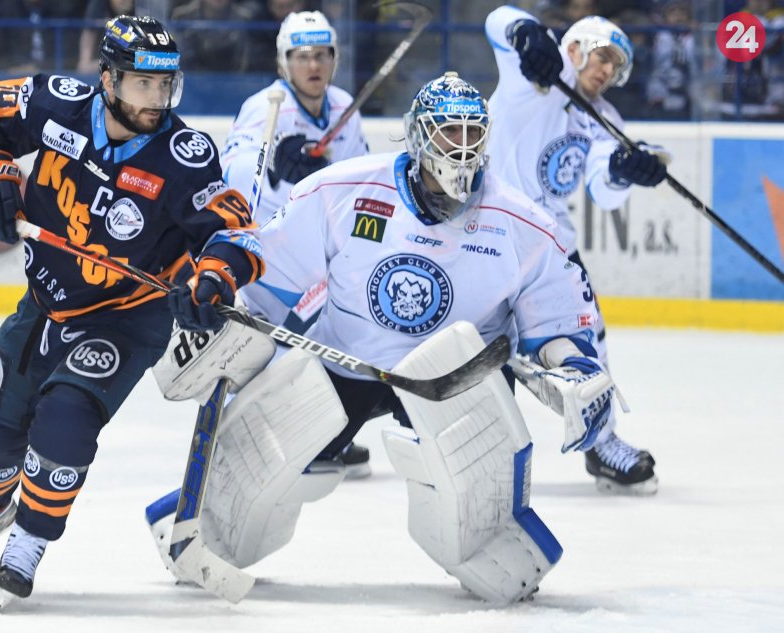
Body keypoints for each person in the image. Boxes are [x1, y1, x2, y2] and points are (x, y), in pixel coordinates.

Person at [155, 73, 618, 602]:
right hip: (345, 361)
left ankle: (492, 538)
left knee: (483, 518)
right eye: (449, 131)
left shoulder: (522, 223)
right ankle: (211, 522)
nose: (463, 146)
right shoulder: (344, 190)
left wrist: (575, 370)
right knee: (259, 465)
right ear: (419, 135)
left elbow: (555, 323)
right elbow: (270, 265)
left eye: (473, 132)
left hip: (455, 380)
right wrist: (220, 283)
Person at [0, 15, 263, 602]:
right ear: (108, 79)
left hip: (126, 317)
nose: (156, 99)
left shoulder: (184, 155)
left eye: (165, 85)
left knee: (65, 421)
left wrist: (212, 277)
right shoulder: (58, 104)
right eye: (142, 83)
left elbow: (234, 233)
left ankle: (29, 536)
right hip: (45, 302)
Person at [484, 5, 666, 494]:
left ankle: (601, 442)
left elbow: (603, 190)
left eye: (616, 65)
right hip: (486, 230)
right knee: (475, 341)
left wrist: (623, 171)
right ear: (575, 48)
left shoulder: (603, 117)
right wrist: (524, 32)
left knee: (590, 337)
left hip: (550, 243)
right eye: (602, 56)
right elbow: (497, 19)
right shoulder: (534, 75)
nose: (606, 70)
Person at [221, 9, 371, 476]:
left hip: (321, 255)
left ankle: (326, 431)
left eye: (322, 54)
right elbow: (235, 174)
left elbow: (362, 182)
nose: (313, 64)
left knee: (344, 338)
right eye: (302, 55)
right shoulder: (266, 107)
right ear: (283, 61)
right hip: (270, 256)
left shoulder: (343, 107)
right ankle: (255, 438)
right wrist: (276, 168)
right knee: (286, 347)